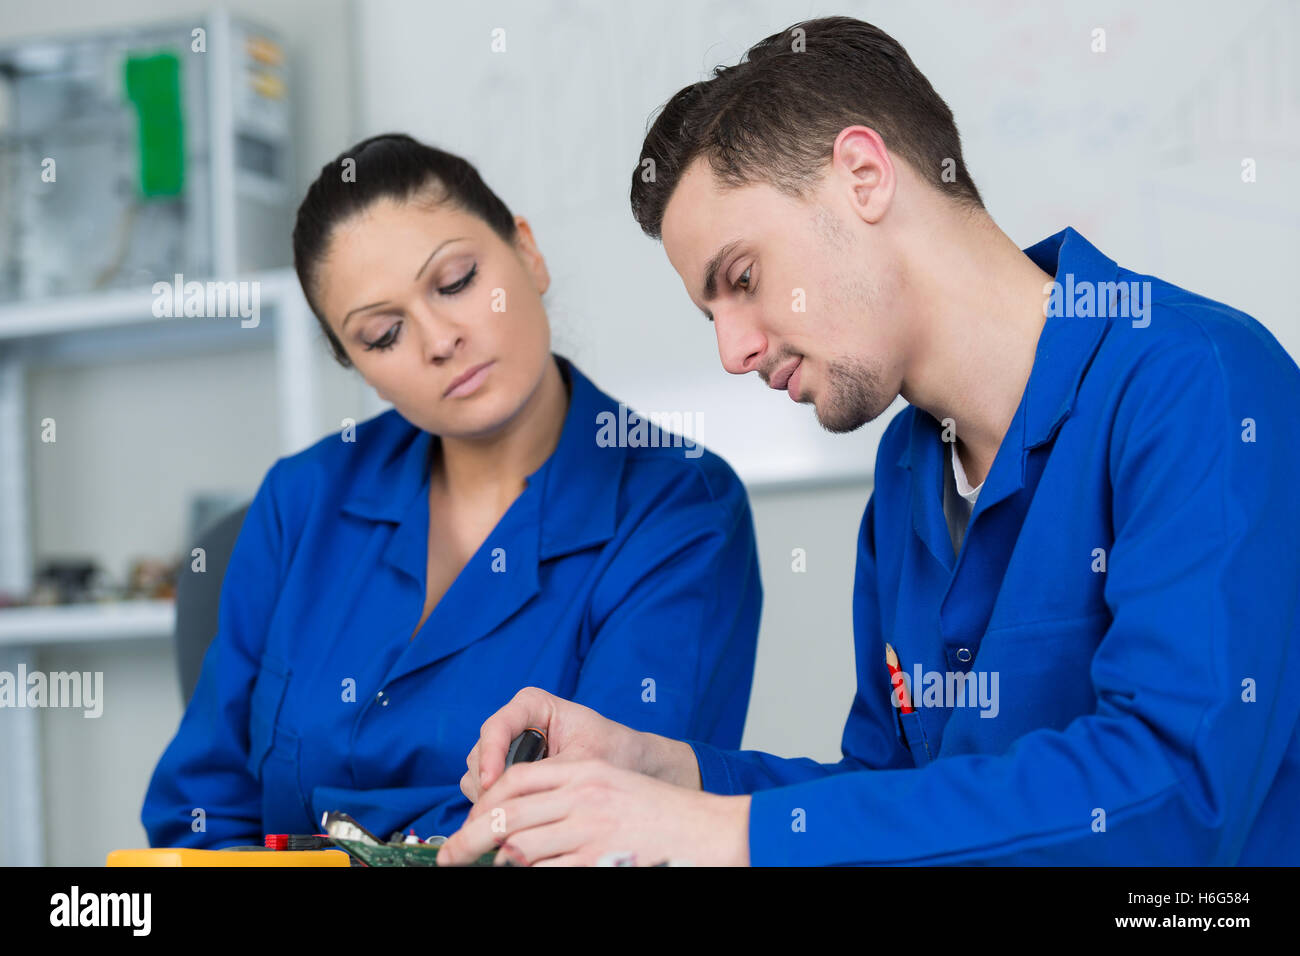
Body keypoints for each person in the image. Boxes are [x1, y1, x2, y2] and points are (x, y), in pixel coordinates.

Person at [436, 16, 1300, 866]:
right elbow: (886, 790)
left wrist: (710, 836)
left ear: (863, 174)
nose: (734, 352)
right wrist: (665, 773)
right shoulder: (908, 468)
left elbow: (1174, 798)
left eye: (742, 279)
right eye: (712, 314)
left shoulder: (1200, 383)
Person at [141, 133, 762, 848]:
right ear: (357, 366)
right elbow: (200, 811)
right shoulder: (300, 500)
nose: (438, 339)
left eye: (457, 280)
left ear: (527, 253)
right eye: (382, 334)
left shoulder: (680, 508)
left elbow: (607, 830)